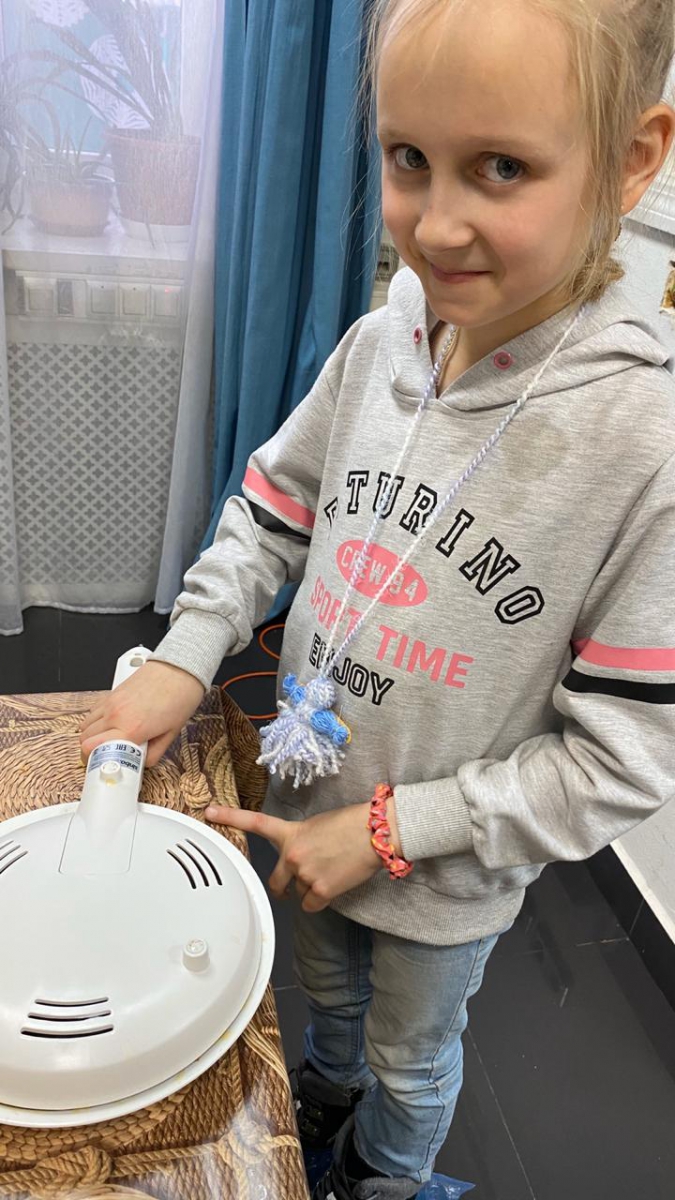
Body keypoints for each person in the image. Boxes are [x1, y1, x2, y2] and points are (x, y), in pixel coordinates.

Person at [81, 1, 675, 1196]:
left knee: (413, 1055)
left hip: (442, 881)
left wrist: (394, 833)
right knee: (328, 1001)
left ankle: (389, 1175)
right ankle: (326, 1104)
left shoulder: (642, 446)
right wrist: (187, 654)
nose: (435, 225)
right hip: (306, 794)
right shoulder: (382, 342)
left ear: (631, 159)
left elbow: (618, 760)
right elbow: (270, 510)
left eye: (500, 167)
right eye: (409, 157)